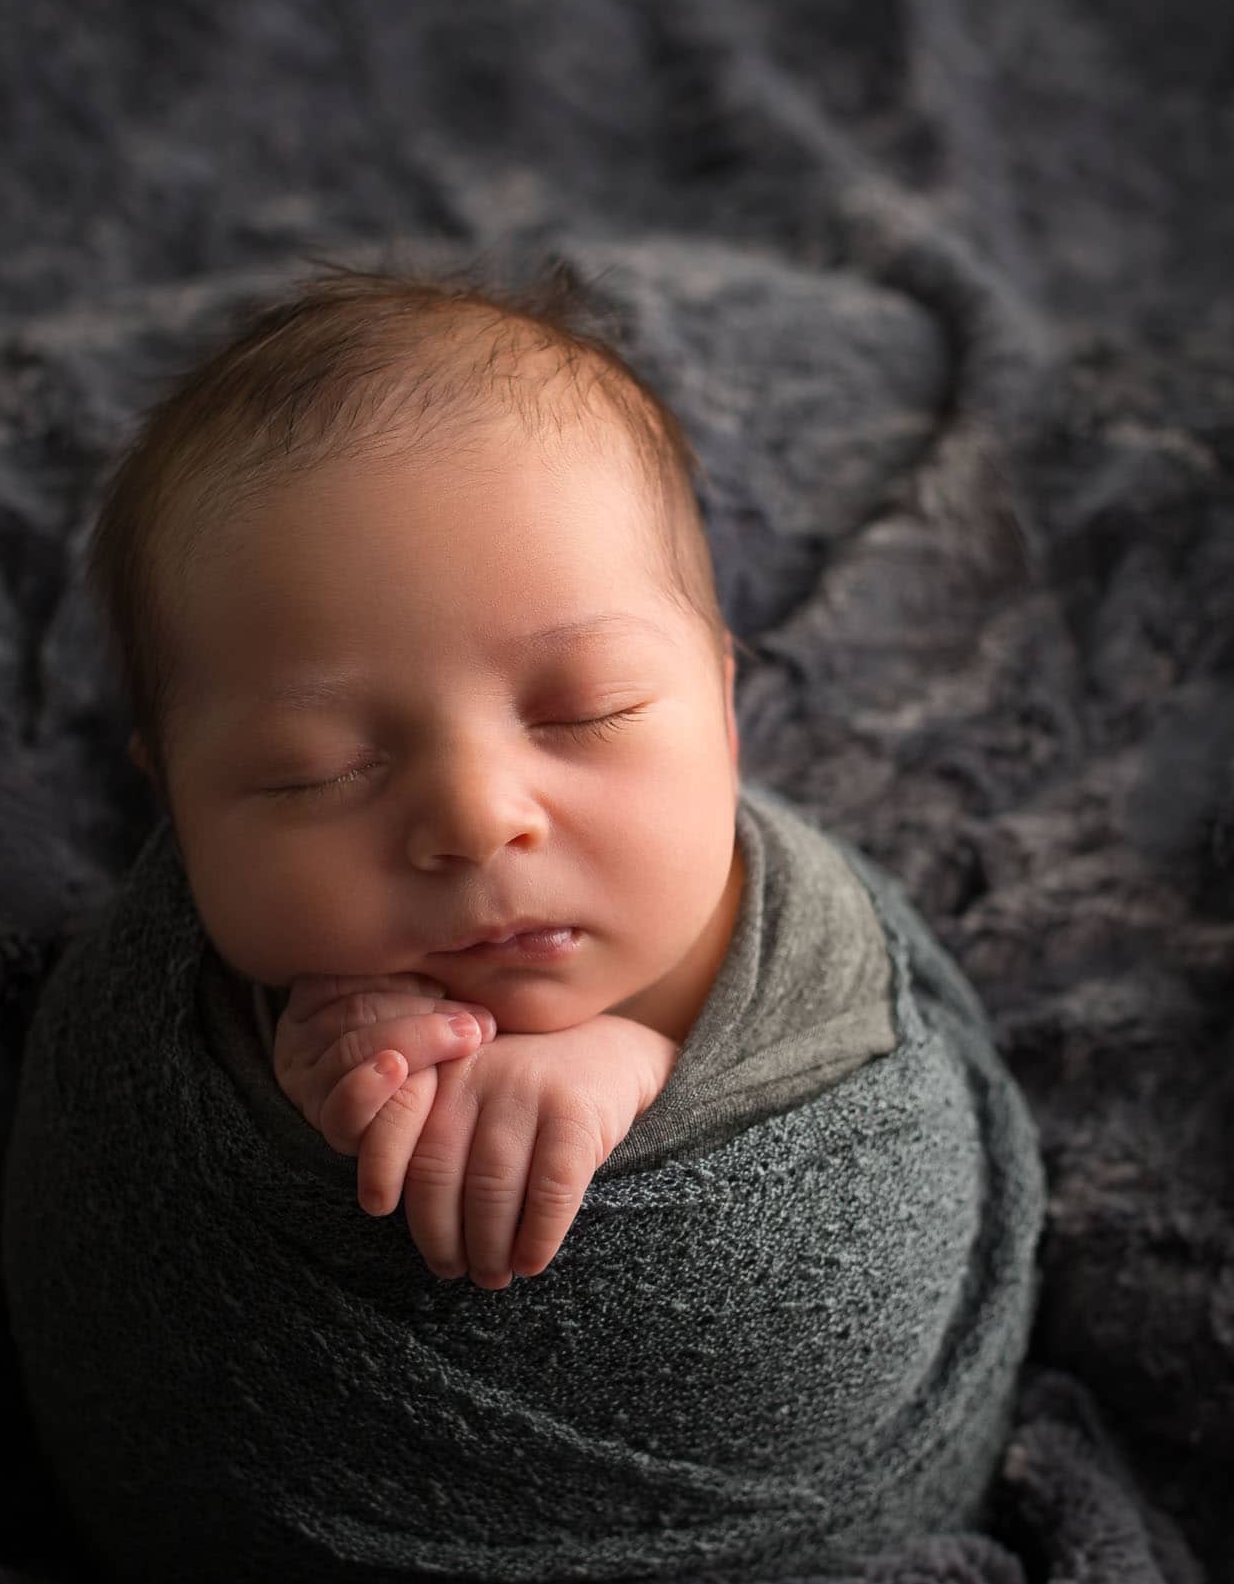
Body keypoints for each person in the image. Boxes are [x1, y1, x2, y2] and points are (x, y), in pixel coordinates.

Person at [85, 248, 883, 1288]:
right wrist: (301, 1096)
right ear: (174, 804)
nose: (474, 817)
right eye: (311, 770)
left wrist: (638, 1068)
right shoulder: (199, 1013)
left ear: (722, 711)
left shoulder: (775, 936)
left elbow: (819, 1053)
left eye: (586, 710)